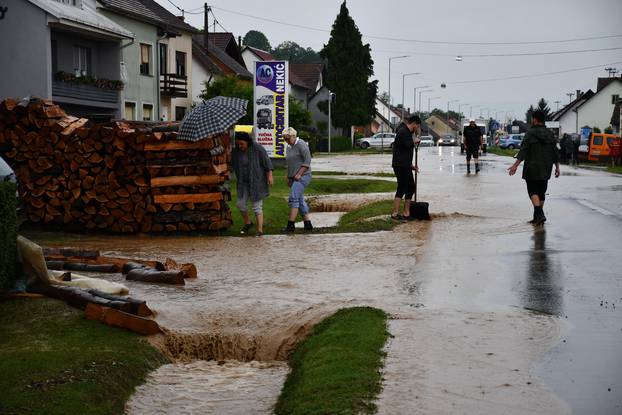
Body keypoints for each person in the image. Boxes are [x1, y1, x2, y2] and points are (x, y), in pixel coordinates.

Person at [508, 110, 560, 225]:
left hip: (532, 167)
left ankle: (540, 214)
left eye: (532, 119)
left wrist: (515, 166)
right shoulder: (550, 134)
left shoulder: (530, 133)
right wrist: (557, 167)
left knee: (532, 191)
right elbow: (555, 152)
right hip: (546, 167)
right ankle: (537, 217)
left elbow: (523, 151)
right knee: (541, 193)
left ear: (535, 119)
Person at [231, 131, 273, 236]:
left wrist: (270, 176)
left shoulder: (257, 148)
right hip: (243, 182)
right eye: (238, 144)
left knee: (257, 206)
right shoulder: (236, 151)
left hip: (256, 182)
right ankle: (248, 223)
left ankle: (259, 230)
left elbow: (267, 163)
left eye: (242, 144)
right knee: (240, 204)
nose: (240, 146)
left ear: (247, 142)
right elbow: (232, 164)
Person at [282, 127, 313, 233]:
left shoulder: (301, 144)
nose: (286, 140)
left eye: (287, 138)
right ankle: (307, 224)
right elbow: (289, 163)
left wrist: (299, 174)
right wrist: (287, 176)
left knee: (293, 198)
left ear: (293, 136)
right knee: (299, 200)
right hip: (293, 177)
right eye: (284, 138)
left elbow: (307, 160)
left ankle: (290, 225)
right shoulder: (289, 147)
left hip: (303, 176)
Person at [391, 115, 421, 222]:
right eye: (417, 126)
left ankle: (406, 213)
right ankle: (395, 213)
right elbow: (407, 145)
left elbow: (405, 151)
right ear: (414, 124)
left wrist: (411, 165)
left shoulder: (408, 133)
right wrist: (415, 141)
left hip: (405, 164)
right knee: (402, 188)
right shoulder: (403, 132)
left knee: (411, 188)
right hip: (400, 165)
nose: (417, 129)